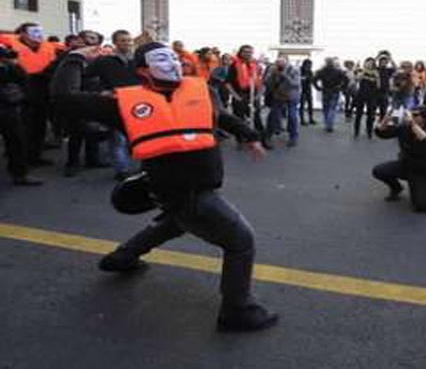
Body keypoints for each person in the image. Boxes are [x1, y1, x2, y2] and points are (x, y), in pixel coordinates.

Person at [58, 41, 277, 332]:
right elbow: (64, 97)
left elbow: (220, 116)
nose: (174, 64)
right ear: (143, 70)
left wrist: (249, 135)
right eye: (162, 59)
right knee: (240, 241)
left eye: (174, 58)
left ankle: (123, 257)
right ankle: (237, 310)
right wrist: (74, 58)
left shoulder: (200, 90)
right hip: (179, 192)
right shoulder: (122, 104)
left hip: (194, 191)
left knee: (176, 222)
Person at [50, 30, 112, 177]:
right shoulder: (72, 58)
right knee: (76, 133)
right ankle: (72, 163)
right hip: (77, 101)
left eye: (93, 38)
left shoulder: (95, 57)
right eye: (86, 37)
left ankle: (93, 159)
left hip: (92, 99)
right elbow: (69, 86)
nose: (89, 41)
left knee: (93, 131)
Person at [0, 23, 59, 166]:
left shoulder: (48, 48)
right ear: (23, 34)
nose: (38, 35)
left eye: (40, 31)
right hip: (19, 93)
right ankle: (23, 161)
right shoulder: (9, 48)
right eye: (34, 32)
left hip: (42, 90)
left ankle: (35, 157)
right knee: (24, 129)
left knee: (40, 127)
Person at [88, 29, 140, 180]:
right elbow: (86, 77)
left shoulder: (138, 61)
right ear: (115, 42)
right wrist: (100, 92)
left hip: (138, 105)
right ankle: (122, 170)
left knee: (140, 138)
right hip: (115, 103)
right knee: (117, 139)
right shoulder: (103, 61)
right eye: (123, 40)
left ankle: (146, 169)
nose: (127, 43)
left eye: (129, 40)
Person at [372, 106, 426, 212]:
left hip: (423, 171)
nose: (411, 117)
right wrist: (386, 118)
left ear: (424, 118)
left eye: (415, 115)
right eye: (410, 114)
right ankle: (396, 188)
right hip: (405, 165)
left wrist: (412, 124)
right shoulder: (405, 128)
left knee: (421, 206)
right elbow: (382, 133)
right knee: (378, 171)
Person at [0, 46, 42, 186]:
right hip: (7, 106)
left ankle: (20, 174)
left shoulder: (7, 65)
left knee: (16, 140)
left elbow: (22, 78)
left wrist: (12, 62)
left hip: (7, 106)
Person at [263, 56, 300, 148]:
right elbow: (266, 82)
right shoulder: (272, 69)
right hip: (278, 95)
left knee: (292, 116)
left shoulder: (293, 70)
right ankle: (268, 136)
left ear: (286, 63)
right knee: (273, 115)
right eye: (277, 63)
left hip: (291, 96)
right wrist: (271, 75)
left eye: (281, 63)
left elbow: (296, 84)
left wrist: (284, 75)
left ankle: (293, 136)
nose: (279, 65)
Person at [225, 45, 264, 134]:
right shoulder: (234, 65)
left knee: (256, 117)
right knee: (239, 119)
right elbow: (227, 83)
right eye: (245, 52)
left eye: (250, 52)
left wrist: (259, 95)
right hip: (240, 94)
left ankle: (261, 138)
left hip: (254, 94)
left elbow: (260, 80)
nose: (248, 54)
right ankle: (241, 139)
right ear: (241, 53)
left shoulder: (256, 65)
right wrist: (236, 96)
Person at [313, 57, 348, 133]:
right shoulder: (338, 71)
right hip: (335, 91)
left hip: (325, 91)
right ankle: (329, 125)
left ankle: (327, 124)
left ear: (326, 62)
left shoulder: (322, 71)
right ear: (332, 63)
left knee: (326, 108)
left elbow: (314, 79)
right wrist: (342, 87)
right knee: (332, 109)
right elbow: (346, 79)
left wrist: (318, 87)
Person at [352, 57, 380, 139]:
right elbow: (357, 79)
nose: (370, 64)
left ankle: (369, 132)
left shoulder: (375, 72)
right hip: (361, 95)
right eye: (368, 62)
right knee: (358, 114)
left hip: (371, 96)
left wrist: (376, 77)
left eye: (371, 63)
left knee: (370, 115)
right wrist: (364, 71)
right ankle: (356, 132)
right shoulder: (361, 70)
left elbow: (378, 85)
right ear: (365, 63)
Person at [376, 52, 396, 119]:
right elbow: (372, 63)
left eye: (385, 62)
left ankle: (381, 127)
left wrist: (390, 57)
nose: (383, 63)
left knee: (383, 111)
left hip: (385, 93)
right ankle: (370, 126)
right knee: (372, 110)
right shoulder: (376, 69)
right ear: (379, 62)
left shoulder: (388, 70)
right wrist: (378, 55)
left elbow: (395, 67)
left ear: (387, 63)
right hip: (375, 92)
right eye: (382, 61)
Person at [298, 58, 316, 126]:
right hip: (302, 90)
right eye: (308, 65)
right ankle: (302, 120)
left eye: (310, 65)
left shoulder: (310, 71)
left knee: (310, 105)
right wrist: (304, 79)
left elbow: (311, 80)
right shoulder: (300, 71)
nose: (309, 66)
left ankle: (311, 119)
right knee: (302, 106)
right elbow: (299, 80)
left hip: (308, 90)